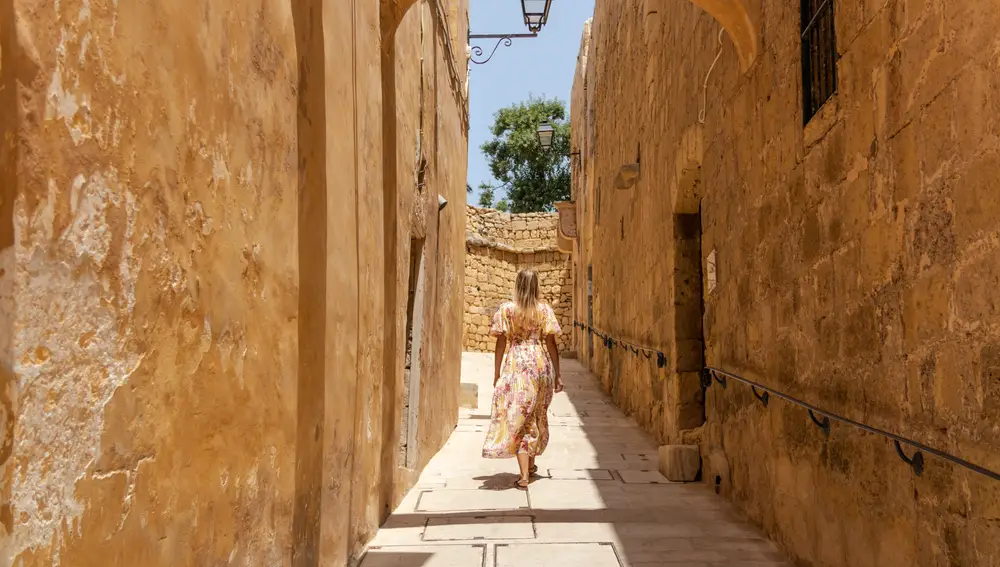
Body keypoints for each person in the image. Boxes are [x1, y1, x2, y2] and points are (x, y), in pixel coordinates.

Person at [481, 269, 564, 490]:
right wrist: (557, 374)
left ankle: (525, 475)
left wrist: (497, 373)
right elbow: (551, 343)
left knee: (520, 416)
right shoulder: (544, 310)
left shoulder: (507, 310)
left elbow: (500, 343)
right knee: (535, 414)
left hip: (517, 364)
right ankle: (530, 465)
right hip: (540, 364)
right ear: (536, 286)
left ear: (517, 285)